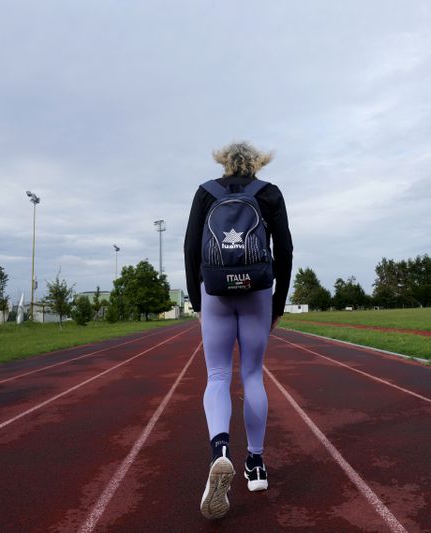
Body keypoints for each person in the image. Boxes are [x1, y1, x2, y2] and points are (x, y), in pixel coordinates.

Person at [184, 141, 293, 519]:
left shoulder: (205, 192)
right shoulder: (270, 194)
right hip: (258, 290)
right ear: (257, 164)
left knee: (217, 373)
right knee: (252, 374)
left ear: (223, 162)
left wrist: (197, 303)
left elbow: (190, 249)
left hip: (213, 289)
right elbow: (286, 251)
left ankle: (221, 452)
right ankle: (257, 465)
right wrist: (277, 305)